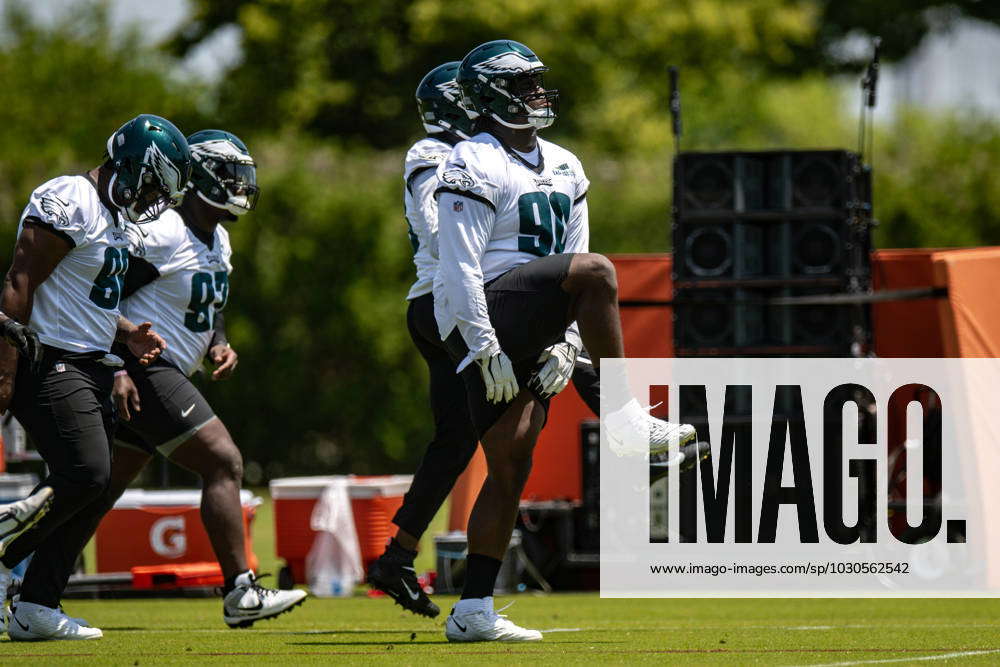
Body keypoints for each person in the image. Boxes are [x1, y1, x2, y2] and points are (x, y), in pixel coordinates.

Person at [432, 40, 697, 642]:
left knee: (510, 459)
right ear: (492, 93)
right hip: (484, 314)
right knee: (601, 271)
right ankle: (624, 416)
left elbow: (566, 257)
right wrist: (484, 345)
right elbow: (460, 268)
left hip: (535, 317)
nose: (538, 94)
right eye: (525, 85)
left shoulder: (564, 163)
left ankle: (472, 610)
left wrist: (566, 342)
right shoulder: (470, 161)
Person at [366, 62, 607, 619]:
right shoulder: (442, 157)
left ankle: (399, 554)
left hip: (452, 300)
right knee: (543, 359)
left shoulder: (509, 158)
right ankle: (623, 418)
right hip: (443, 300)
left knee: (456, 441)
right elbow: (443, 235)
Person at [75, 129, 306, 629]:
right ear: (199, 177)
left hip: (168, 369)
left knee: (94, 491)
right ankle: (239, 591)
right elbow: (102, 297)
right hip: (142, 368)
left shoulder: (219, 238)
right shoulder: (161, 232)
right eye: (229, 175)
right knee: (224, 461)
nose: (239, 186)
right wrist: (115, 365)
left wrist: (218, 342)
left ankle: (26, 587)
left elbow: (208, 307)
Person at [0, 114, 188, 641]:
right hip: (47, 354)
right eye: (151, 182)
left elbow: (89, 299)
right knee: (85, 472)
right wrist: (4, 373)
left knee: (95, 483)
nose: (152, 197)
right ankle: (4, 562)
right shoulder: (73, 197)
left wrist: (125, 335)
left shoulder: (115, 217)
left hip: (89, 361)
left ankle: (36, 604)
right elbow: (19, 280)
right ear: (129, 165)